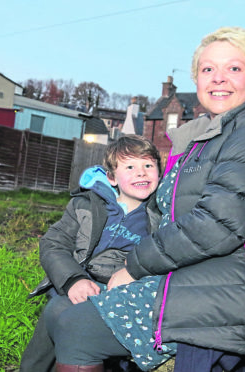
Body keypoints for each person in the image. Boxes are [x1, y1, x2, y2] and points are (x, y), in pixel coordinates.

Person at [45, 26, 245, 372]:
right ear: (196, 79)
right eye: (208, 69)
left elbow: (217, 224)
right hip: (193, 280)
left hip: (232, 299)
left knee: (77, 328)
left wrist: (133, 268)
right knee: (63, 310)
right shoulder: (209, 138)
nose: (219, 79)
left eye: (234, 69)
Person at [19, 134, 162, 372]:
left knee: (70, 326)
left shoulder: (160, 217)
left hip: (118, 295)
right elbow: (53, 244)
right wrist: (74, 279)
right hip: (72, 285)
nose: (141, 172)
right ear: (112, 177)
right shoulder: (87, 204)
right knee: (50, 328)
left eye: (148, 165)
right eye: (130, 166)